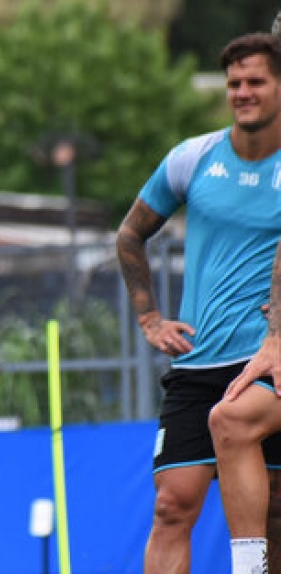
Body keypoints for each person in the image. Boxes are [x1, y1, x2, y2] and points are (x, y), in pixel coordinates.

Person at [115, 32, 281, 574]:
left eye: (256, 81)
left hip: (265, 361)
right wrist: (149, 316)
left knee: (273, 513)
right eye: (234, 83)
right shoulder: (194, 157)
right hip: (197, 363)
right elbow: (129, 235)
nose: (243, 92)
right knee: (170, 507)